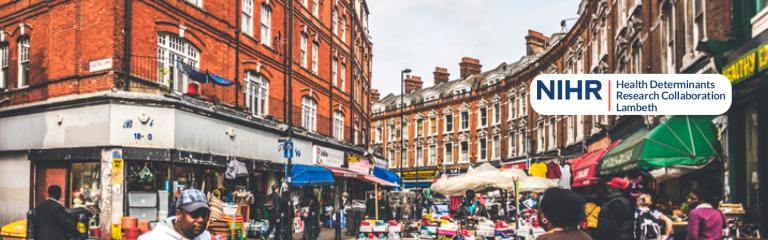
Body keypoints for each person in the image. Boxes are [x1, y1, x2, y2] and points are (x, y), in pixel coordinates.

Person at [139, 188, 212, 240]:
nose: (201, 220)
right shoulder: (155, 237)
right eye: (194, 214)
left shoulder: (205, 236)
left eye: (204, 215)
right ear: (179, 214)